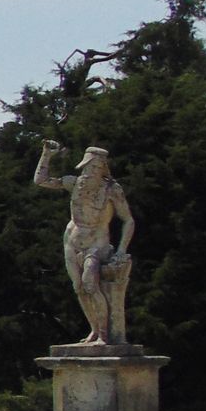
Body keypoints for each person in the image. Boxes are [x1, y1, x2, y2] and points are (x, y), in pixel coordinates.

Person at [34, 141, 134, 344]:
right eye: (90, 166)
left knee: (90, 284)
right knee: (78, 287)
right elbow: (41, 181)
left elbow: (128, 220)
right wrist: (46, 155)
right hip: (72, 240)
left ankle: (104, 336)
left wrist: (122, 249)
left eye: (97, 167)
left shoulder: (111, 189)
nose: (93, 171)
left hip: (98, 242)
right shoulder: (75, 183)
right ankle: (94, 330)